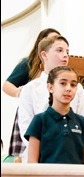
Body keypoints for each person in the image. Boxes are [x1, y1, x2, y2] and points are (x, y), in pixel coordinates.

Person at [18, 35, 84, 162]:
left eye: (67, 51)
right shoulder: (30, 88)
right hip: (40, 157)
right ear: (44, 55)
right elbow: (25, 127)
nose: (65, 55)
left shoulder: (78, 89)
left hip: (71, 156)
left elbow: (83, 121)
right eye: (59, 50)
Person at [3, 28, 61, 157]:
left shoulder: (62, 68)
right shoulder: (29, 63)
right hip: (30, 113)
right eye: (51, 39)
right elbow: (7, 85)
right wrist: (21, 92)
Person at [24, 66, 84, 164]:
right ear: (50, 87)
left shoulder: (83, 122)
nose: (68, 88)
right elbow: (32, 162)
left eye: (73, 85)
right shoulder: (39, 120)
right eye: (63, 83)